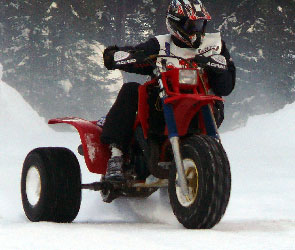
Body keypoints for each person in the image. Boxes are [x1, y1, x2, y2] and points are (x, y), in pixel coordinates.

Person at [101, 0, 236, 182]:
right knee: (132, 89)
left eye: (200, 24)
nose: (197, 30)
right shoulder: (160, 45)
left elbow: (226, 87)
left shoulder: (215, 45)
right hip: (162, 109)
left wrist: (219, 70)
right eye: (191, 24)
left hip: (204, 108)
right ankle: (116, 155)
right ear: (176, 23)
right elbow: (138, 53)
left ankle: (209, 166)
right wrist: (115, 55)